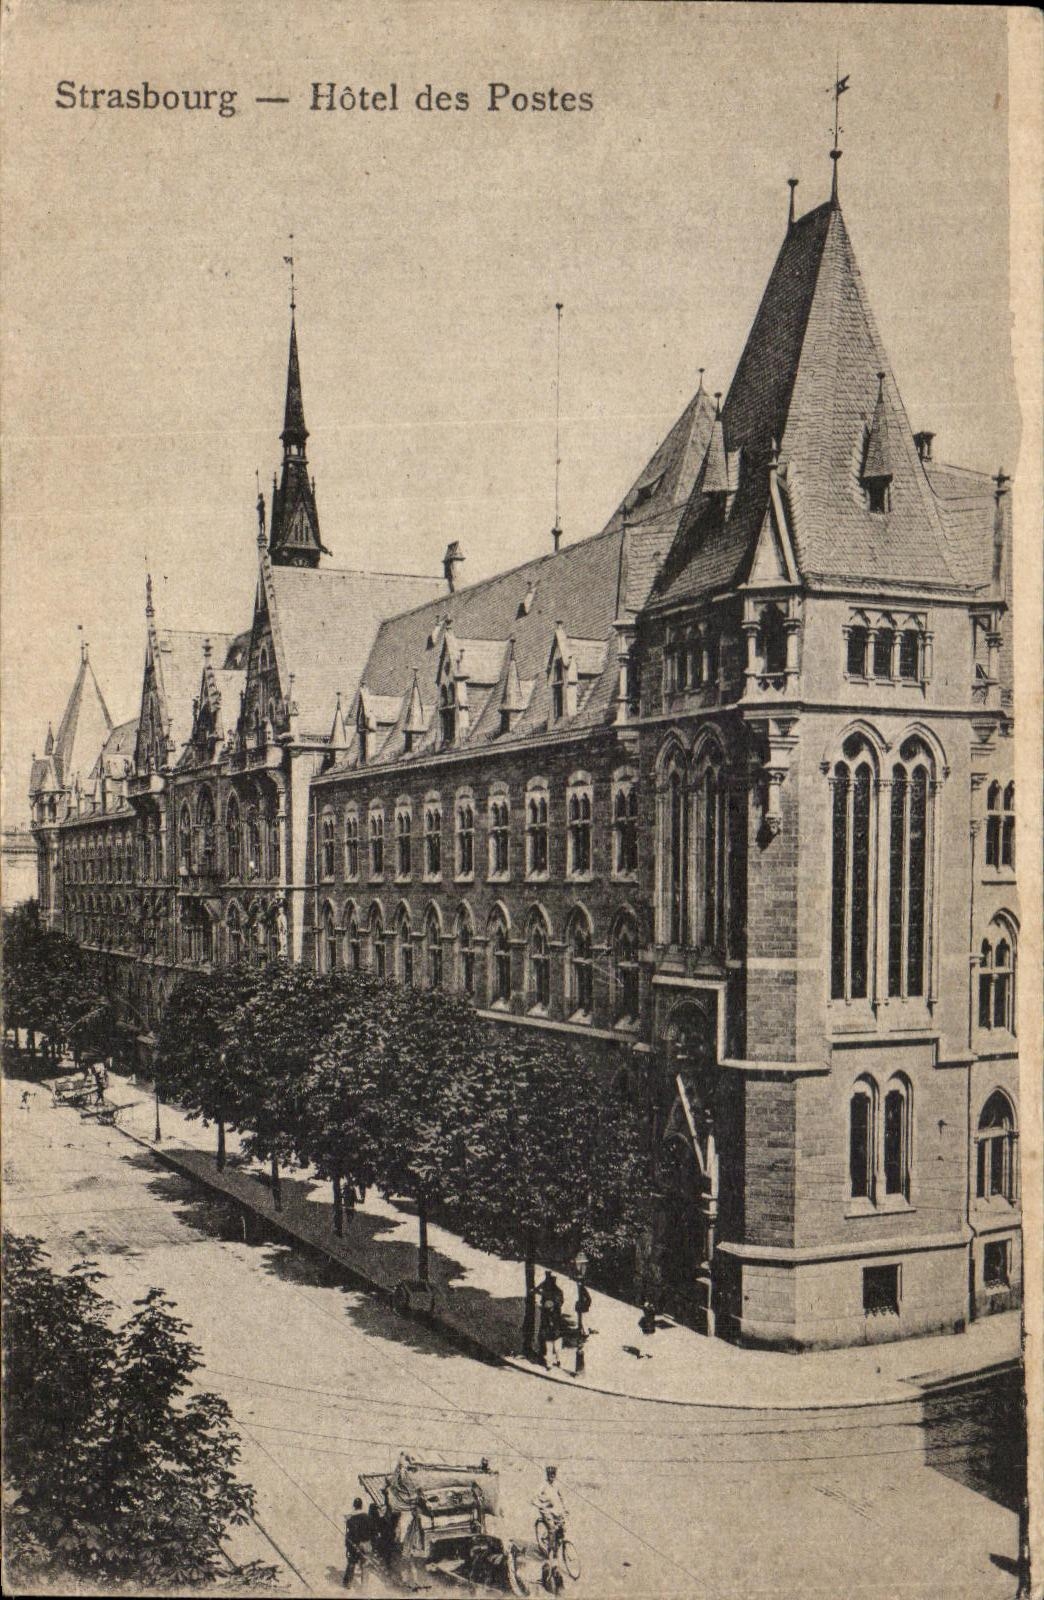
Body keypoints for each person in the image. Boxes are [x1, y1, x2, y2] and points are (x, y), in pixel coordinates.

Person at [533, 1464, 568, 1552]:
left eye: (554, 1475)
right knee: (552, 1528)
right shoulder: (543, 1485)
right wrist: (540, 1505)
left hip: (555, 1510)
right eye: (550, 1475)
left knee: (562, 1527)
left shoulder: (556, 1485)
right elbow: (534, 1498)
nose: (552, 1476)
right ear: (547, 1475)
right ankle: (550, 1552)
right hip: (545, 1511)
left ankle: (557, 1544)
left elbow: (562, 1497)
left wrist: (565, 1508)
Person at [537, 1271, 564, 1368]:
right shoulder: (559, 1292)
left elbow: (538, 1290)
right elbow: (561, 1302)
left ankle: (549, 1364)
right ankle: (558, 1360)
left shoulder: (546, 1291)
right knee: (556, 1343)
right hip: (556, 1322)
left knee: (549, 1343)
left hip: (548, 1322)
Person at [343, 1498, 372, 1588]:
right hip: (366, 1543)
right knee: (365, 1565)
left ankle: (348, 1584)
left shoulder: (351, 1519)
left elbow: (349, 1533)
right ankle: (364, 1587)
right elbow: (373, 1531)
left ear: (354, 1506)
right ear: (361, 1506)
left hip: (355, 1544)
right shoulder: (367, 1517)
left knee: (352, 1563)